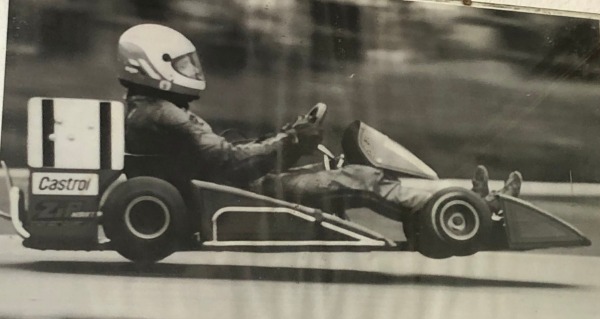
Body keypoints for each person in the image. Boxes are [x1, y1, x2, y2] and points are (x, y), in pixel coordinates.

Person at [118, 24, 521, 220]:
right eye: (184, 64)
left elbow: (222, 155)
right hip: (246, 190)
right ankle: (466, 208)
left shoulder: (146, 110)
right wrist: (291, 143)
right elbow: (230, 164)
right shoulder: (165, 114)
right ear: (152, 66)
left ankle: (458, 203)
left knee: (347, 172)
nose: (192, 70)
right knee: (359, 179)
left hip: (232, 185)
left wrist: (286, 137)